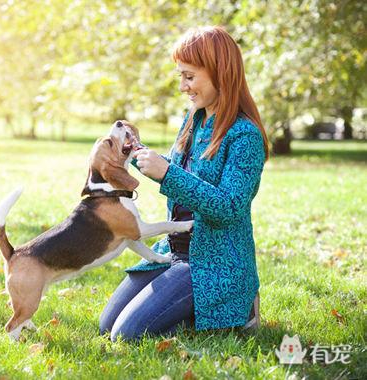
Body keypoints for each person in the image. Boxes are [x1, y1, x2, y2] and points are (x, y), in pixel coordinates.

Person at [99, 26, 269, 341]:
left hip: (212, 263)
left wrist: (167, 174)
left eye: (189, 77)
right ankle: (195, 311)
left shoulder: (245, 136)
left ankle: (234, 309)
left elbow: (229, 207)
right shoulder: (194, 119)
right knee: (106, 326)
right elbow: (179, 172)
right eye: (181, 77)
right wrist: (137, 152)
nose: (182, 87)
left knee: (126, 335)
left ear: (220, 72)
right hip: (173, 250)